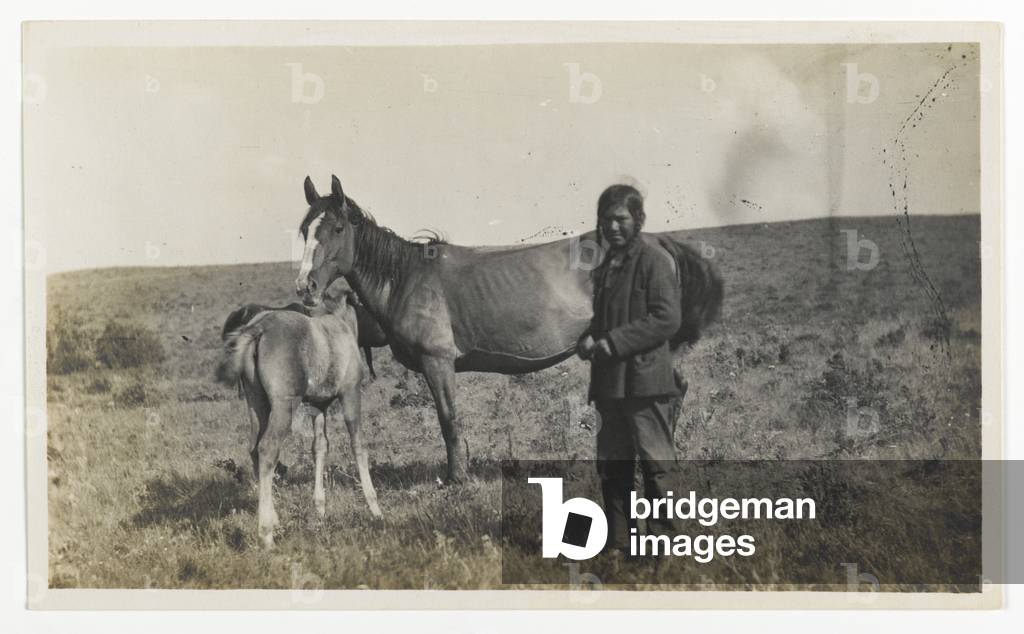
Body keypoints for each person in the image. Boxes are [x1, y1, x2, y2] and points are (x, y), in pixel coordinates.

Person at [577, 184, 685, 555]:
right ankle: (619, 544)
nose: (612, 226)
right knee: (613, 468)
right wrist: (589, 339)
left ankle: (665, 547)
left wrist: (613, 342)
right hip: (611, 387)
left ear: (637, 220)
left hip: (647, 384)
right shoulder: (606, 267)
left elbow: (667, 319)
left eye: (620, 218)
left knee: (657, 466)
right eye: (605, 219)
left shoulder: (653, 261)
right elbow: (604, 321)